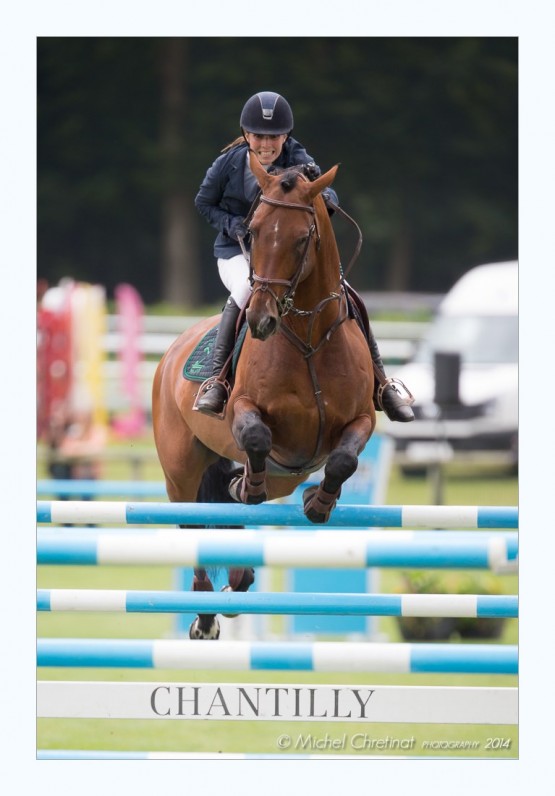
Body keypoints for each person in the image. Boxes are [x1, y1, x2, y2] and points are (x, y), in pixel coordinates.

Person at [194, 90, 414, 422]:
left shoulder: (300, 159)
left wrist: (321, 196)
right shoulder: (228, 163)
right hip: (238, 252)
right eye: (257, 136)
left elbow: (329, 191)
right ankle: (218, 381)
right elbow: (203, 202)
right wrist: (233, 225)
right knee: (243, 293)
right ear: (245, 134)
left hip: (289, 257)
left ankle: (382, 385)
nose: (265, 144)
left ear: (286, 136)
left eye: (273, 137)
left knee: (348, 295)